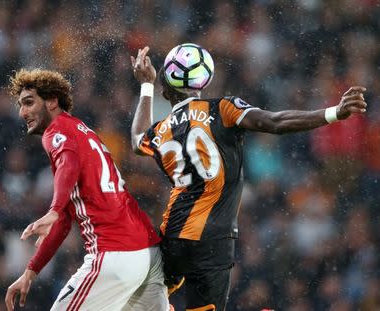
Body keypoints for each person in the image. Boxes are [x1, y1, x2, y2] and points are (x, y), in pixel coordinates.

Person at [130, 46, 367, 311]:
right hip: (212, 240)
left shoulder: (161, 130)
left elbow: (138, 140)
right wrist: (334, 112)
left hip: (173, 238)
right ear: (205, 79)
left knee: (142, 301)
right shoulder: (223, 109)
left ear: (165, 89)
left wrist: (146, 86)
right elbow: (275, 122)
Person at [4, 68, 170, 311]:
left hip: (114, 253)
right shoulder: (80, 131)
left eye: (29, 103)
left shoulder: (56, 131)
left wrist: (53, 209)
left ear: (52, 101)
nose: (22, 112)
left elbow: (67, 164)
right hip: (148, 255)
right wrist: (31, 271)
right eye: (20, 105)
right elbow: (61, 224)